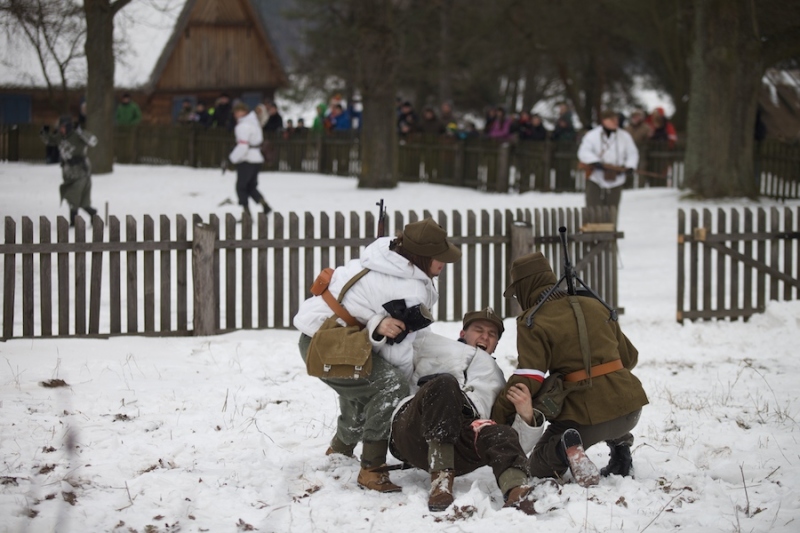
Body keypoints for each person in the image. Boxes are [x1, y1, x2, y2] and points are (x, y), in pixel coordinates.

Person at [293, 218, 462, 493]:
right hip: (324, 344)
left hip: (322, 334)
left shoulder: (386, 255)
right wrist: (407, 393)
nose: (444, 262)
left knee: (366, 384)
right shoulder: (407, 289)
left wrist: (374, 322)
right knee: (389, 385)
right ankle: (372, 469)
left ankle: (340, 449)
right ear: (422, 256)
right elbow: (398, 351)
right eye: (438, 256)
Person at [492, 252, 648, 487]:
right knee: (609, 394)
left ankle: (566, 446)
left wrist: (497, 417)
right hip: (630, 411)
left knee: (538, 465)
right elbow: (629, 357)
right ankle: (621, 454)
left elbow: (529, 378)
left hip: (587, 421)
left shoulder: (532, 320)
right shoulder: (596, 305)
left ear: (524, 288)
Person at [389, 308, 544, 514]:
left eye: (492, 334)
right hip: (414, 430)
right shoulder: (432, 347)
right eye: (478, 330)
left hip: (460, 445)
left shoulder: (499, 382)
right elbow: (398, 345)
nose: (485, 337)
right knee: (444, 384)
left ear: (496, 343)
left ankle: (517, 491)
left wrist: (526, 416)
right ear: (463, 333)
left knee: (500, 432)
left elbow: (514, 443)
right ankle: (441, 481)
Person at [577, 109, 639, 220]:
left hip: (617, 178)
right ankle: (593, 231)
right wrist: (595, 162)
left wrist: (630, 166)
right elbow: (583, 152)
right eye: (612, 119)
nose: (615, 122)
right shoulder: (592, 135)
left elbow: (632, 153)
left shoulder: (625, 136)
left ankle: (610, 231)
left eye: (616, 119)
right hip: (596, 176)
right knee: (593, 208)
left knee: (612, 211)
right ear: (604, 120)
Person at [40, 116, 99, 226]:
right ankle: (93, 214)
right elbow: (50, 141)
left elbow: (93, 141)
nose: (61, 129)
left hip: (81, 172)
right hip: (68, 174)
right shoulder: (60, 137)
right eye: (60, 127)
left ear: (68, 126)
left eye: (63, 127)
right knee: (81, 202)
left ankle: (73, 222)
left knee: (73, 196)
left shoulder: (77, 135)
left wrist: (81, 132)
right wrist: (44, 133)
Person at [228, 101, 271, 217]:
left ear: (244, 112)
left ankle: (246, 214)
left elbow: (243, 146)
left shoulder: (243, 126)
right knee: (251, 186)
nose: (235, 114)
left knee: (241, 187)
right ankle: (265, 205)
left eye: (238, 111)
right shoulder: (255, 123)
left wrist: (232, 159)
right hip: (257, 158)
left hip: (247, 159)